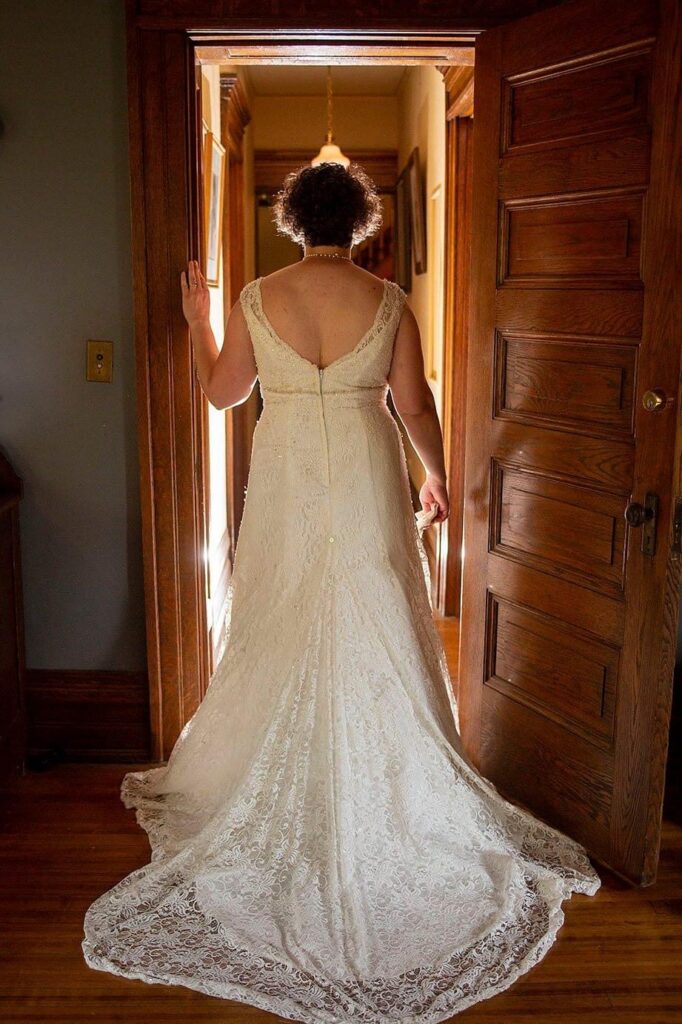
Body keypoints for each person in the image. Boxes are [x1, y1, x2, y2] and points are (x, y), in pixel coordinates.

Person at [82, 162, 601, 1023]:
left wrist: (199, 324)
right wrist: (440, 479)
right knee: (381, 614)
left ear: (293, 222)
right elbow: (416, 405)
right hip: (364, 471)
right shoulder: (389, 301)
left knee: (280, 615)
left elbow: (221, 395)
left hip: (285, 478)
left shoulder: (256, 295)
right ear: (359, 224)